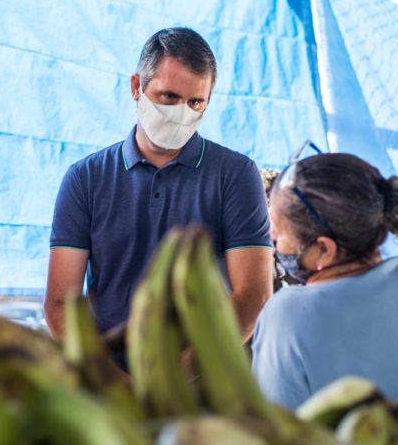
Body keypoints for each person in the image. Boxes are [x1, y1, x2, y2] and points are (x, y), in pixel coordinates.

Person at [45, 27, 273, 341]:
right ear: (136, 86)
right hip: (107, 374)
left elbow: (253, 296)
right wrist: (108, 379)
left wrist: (181, 373)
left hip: (206, 376)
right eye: (169, 97)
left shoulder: (235, 175)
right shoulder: (86, 179)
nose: (181, 113)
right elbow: (60, 302)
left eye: (195, 103)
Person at [252, 152, 398, 409]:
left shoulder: (286, 315)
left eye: (278, 230)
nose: (272, 236)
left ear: (324, 249)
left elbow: (272, 427)